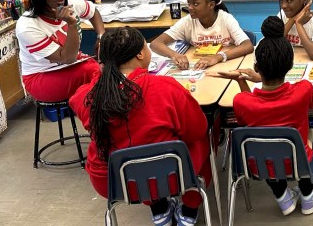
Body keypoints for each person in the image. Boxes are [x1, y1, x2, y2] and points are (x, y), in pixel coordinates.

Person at [70, 27, 210, 226]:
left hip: (112, 182)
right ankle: (189, 210)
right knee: (201, 135)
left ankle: (159, 210)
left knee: (134, 146)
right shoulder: (166, 87)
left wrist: (100, 75)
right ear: (141, 53)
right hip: (169, 177)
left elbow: (77, 98)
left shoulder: (88, 95)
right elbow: (196, 129)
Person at [214, 16, 313, 216]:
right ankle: (307, 197)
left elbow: (244, 120)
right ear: (290, 66)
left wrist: (241, 81)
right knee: (307, 132)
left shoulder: (242, 102)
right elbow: (310, 106)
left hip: (261, 166)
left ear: (256, 68)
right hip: (297, 160)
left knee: (263, 140)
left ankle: (283, 198)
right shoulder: (303, 90)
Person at [16, 0, 105, 103]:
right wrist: (71, 24)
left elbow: (94, 13)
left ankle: (103, 114)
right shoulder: (27, 26)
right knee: (94, 71)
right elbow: (68, 58)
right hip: (41, 76)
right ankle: (105, 117)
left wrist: (101, 36)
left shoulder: (71, 2)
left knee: (110, 65)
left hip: (74, 64)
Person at [151, 0, 253, 70]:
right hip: (199, 66)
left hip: (226, 64)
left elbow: (247, 45)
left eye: (195, 4)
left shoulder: (225, 18)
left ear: (211, 5)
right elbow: (156, 43)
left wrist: (218, 57)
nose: (190, 7)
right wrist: (175, 55)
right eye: (189, 3)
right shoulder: (188, 21)